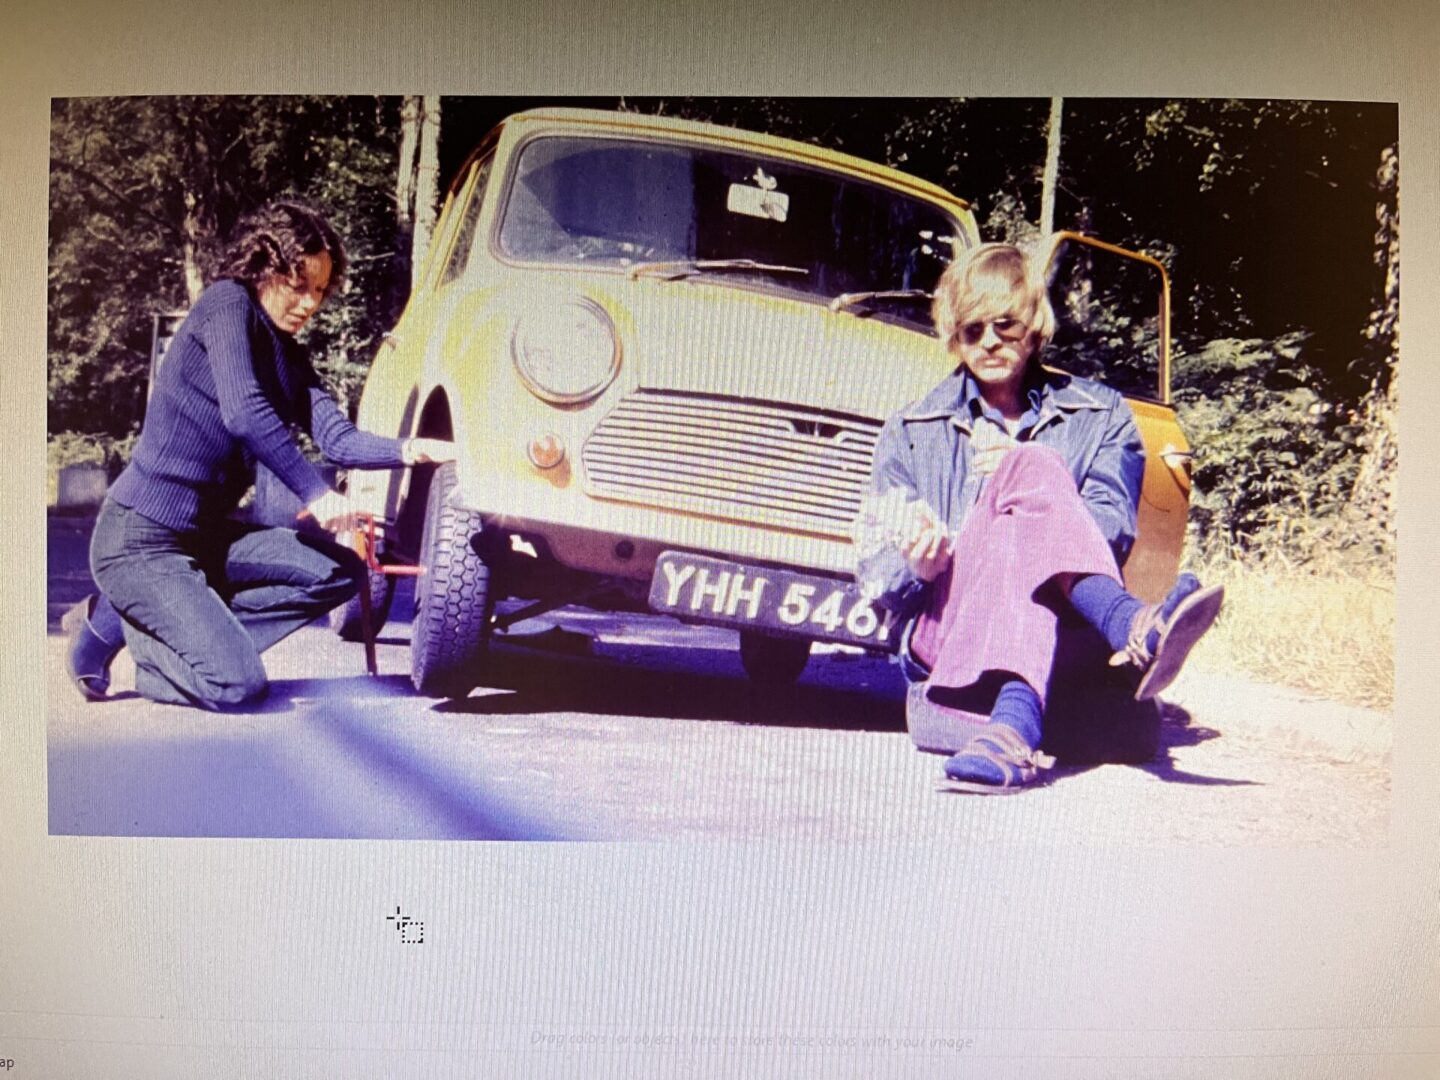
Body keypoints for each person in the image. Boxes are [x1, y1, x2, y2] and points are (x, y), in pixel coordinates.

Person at [854, 242, 1223, 793]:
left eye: (1005, 324)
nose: (989, 341)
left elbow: (1110, 532)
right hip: (951, 628)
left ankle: (1010, 728)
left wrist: (1030, 491)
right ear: (954, 337)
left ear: (1034, 325)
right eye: (972, 330)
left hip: (1065, 622)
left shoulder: (1100, 415)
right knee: (1031, 467)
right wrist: (919, 566)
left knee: (1031, 472)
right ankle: (1132, 624)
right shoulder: (910, 430)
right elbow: (873, 575)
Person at [62, 201, 456, 710]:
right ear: (264, 269)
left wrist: (414, 449)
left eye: (319, 290)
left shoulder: (290, 357)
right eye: (299, 286)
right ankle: (151, 646)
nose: (310, 303)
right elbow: (243, 411)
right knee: (237, 685)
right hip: (140, 538)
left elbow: (338, 440)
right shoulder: (227, 304)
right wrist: (317, 493)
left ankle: (175, 629)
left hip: (203, 541)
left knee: (340, 570)